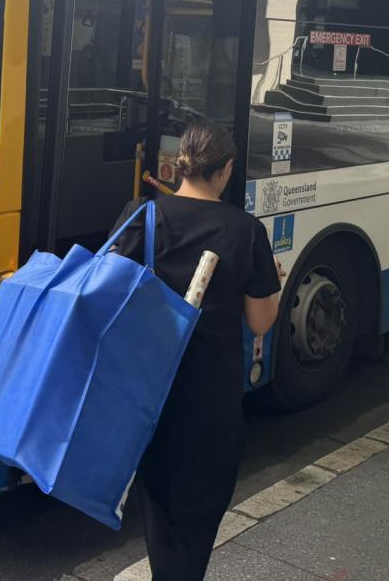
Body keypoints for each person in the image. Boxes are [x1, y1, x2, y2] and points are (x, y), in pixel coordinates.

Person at [109, 120, 282, 581]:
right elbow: (261, 322)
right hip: (210, 406)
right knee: (195, 528)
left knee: (160, 519)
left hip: (150, 400)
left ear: (179, 162)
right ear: (226, 170)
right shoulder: (244, 231)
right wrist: (273, 281)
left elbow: (110, 296)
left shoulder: (142, 217)